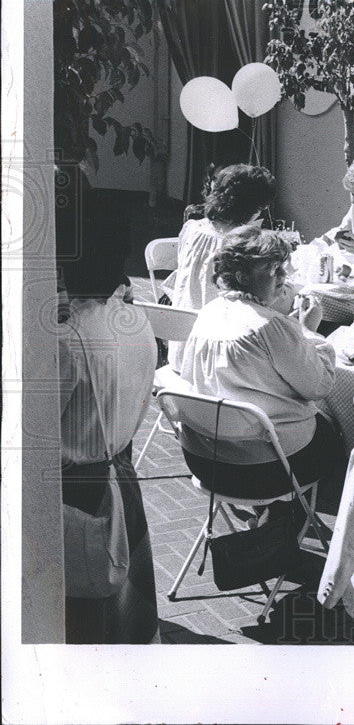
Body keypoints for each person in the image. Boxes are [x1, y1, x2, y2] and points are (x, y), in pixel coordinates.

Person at [179, 227, 347, 501]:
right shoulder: (270, 326)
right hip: (260, 468)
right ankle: (285, 526)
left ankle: (276, 517)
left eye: (283, 267)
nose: (284, 276)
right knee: (334, 433)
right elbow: (319, 386)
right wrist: (308, 330)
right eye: (273, 270)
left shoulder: (208, 313)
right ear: (243, 276)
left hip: (203, 458)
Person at [58, 207, 159, 643]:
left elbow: (38, 430)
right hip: (121, 470)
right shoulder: (135, 319)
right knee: (120, 586)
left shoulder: (65, 341)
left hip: (77, 489)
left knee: (83, 597)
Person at [168, 164, 277, 369]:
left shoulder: (192, 228)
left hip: (180, 347)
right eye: (261, 208)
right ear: (251, 208)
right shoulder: (243, 242)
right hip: (217, 358)